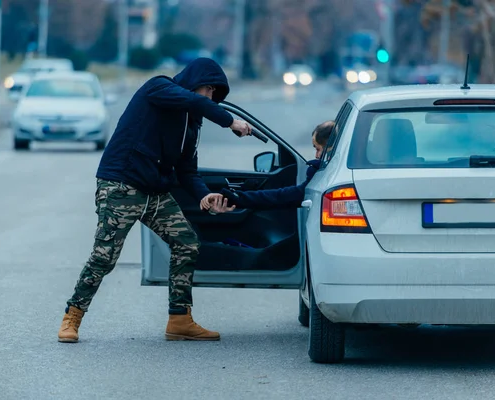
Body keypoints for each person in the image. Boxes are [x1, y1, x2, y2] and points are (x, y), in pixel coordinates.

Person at [58, 58, 252, 343]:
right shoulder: (159, 87)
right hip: (120, 184)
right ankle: (72, 317)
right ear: (196, 82)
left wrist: (204, 195)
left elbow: (187, 170)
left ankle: (179, 319)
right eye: (210, 90)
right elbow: (193, 101)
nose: (211, 97)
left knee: (187, 242)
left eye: (215, 93)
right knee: (105, 256)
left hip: (155, 192)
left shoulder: (192, 123)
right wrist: (230, 121)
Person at [221, 121, 334, 210]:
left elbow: (287, 196)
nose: (317, 155)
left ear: (331, 147)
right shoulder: (329, 171)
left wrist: (239, 198)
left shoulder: (323, 173)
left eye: (318, 149)